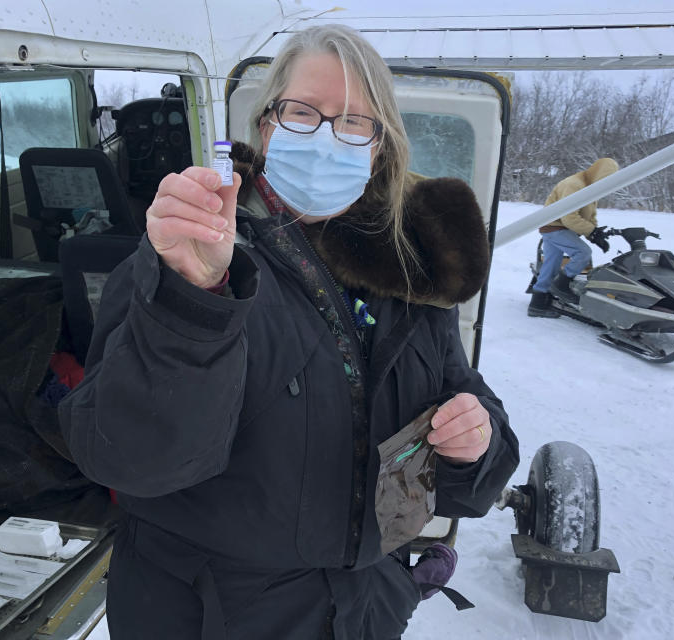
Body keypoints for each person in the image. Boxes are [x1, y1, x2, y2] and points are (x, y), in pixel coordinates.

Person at [60, 24, 519, 640]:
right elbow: (130, 459)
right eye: (305, 112)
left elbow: (464, 429)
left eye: (355, 122)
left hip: (362, 611)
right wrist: (193, 303)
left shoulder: (411, 275)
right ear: (268, 124)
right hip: (207, 615)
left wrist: (477, 440)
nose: (329, 136)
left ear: (378, 146)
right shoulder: (194, 258)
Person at [527, 157, 619, 317]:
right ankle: (561, 285)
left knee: (550, 266)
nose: (606, 182)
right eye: (605, 178)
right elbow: (569, 217)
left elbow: (590, 214)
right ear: (598, 173)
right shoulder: (574, 185)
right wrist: (591, 232)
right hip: (556, 226)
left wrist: (596, 234)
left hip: (556, 227)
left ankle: (537, 305)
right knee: (583, 253)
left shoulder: (591, 187)